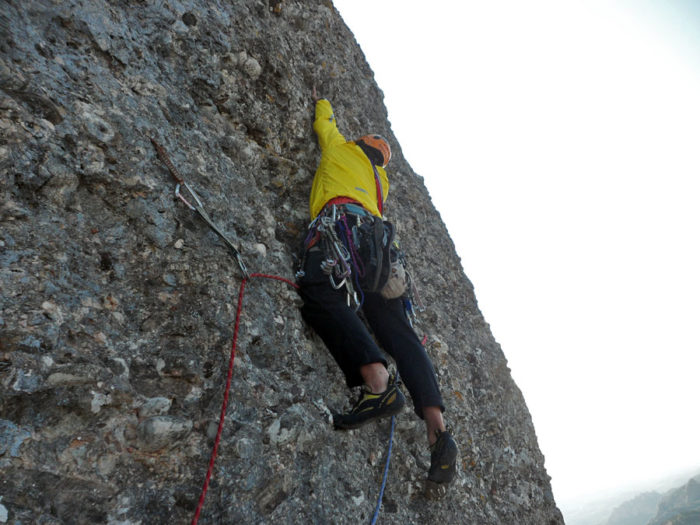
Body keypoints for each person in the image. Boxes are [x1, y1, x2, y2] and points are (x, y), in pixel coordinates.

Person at [297, 87, 458, 491]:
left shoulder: (341, 150)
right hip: (381, 247)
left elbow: (324, 125)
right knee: (397, 331)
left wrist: (322, 100)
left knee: (320, 291)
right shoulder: (380, 182)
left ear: (359, 145)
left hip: (343, 229)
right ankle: (437, 428)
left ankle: (377, 385)